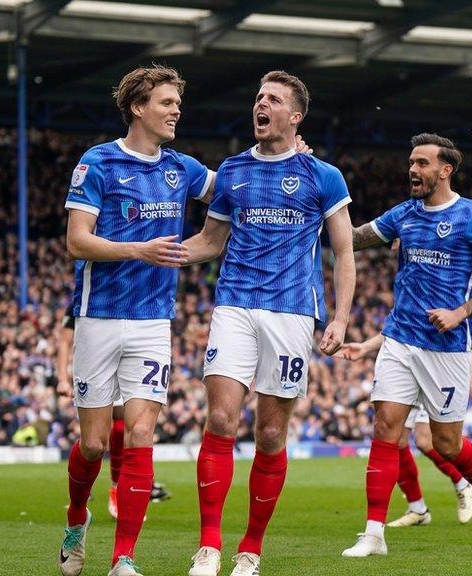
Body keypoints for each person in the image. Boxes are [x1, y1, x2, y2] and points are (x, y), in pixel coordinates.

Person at [182, 70, 355, 576]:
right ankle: (209, 546)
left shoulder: (324, 176)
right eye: (258, 97)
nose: (262, 105)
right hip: (234, 304)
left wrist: (340, 318)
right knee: (219, 420)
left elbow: (343, 252)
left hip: (291, 312)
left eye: (274, 99)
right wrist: (149, 252)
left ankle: (251, 549)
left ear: (295, 116)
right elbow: (209, 243)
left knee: (273, 435)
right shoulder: (233, 171)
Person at [57, 64, 212, 576]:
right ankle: (76, 518)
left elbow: (236, 190)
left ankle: (124, 557)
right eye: (167, 103)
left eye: (177, 103)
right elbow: (77, 240)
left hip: (153, 321)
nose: (176, 111)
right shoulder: (97, 163)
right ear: (139, 106)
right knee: (95, 444)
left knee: (142, 435)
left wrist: (286, 160)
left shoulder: (183, 168)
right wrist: (137, 250)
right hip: (97, 315)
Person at [340, 133, 472, 558]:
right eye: (410, 162)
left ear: (445, 170)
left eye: (421, 163)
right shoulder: (405, 214)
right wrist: (318, 198)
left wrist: (460, 313)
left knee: (446, 444)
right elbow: (352, 238)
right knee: (385, 430)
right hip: (399, 340)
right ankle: (373, 533)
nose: (412, 170)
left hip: (448, 346)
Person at [337, 331, 472, 527]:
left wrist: (468, 367)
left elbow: (467, 326)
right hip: (406, 365)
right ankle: (418, 508)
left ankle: (463, 483)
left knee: (425, 440)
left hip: (437, 365)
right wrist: (366, 347)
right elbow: (395, 325)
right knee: (397, 440)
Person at [55, 303, 171, 522]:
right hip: (97, 349)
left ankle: (117, 488)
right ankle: (79, 505)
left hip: (133, 345)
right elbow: (64, 340)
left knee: (131, 425)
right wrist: (62, 377)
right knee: (93, 444)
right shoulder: (85, 293)